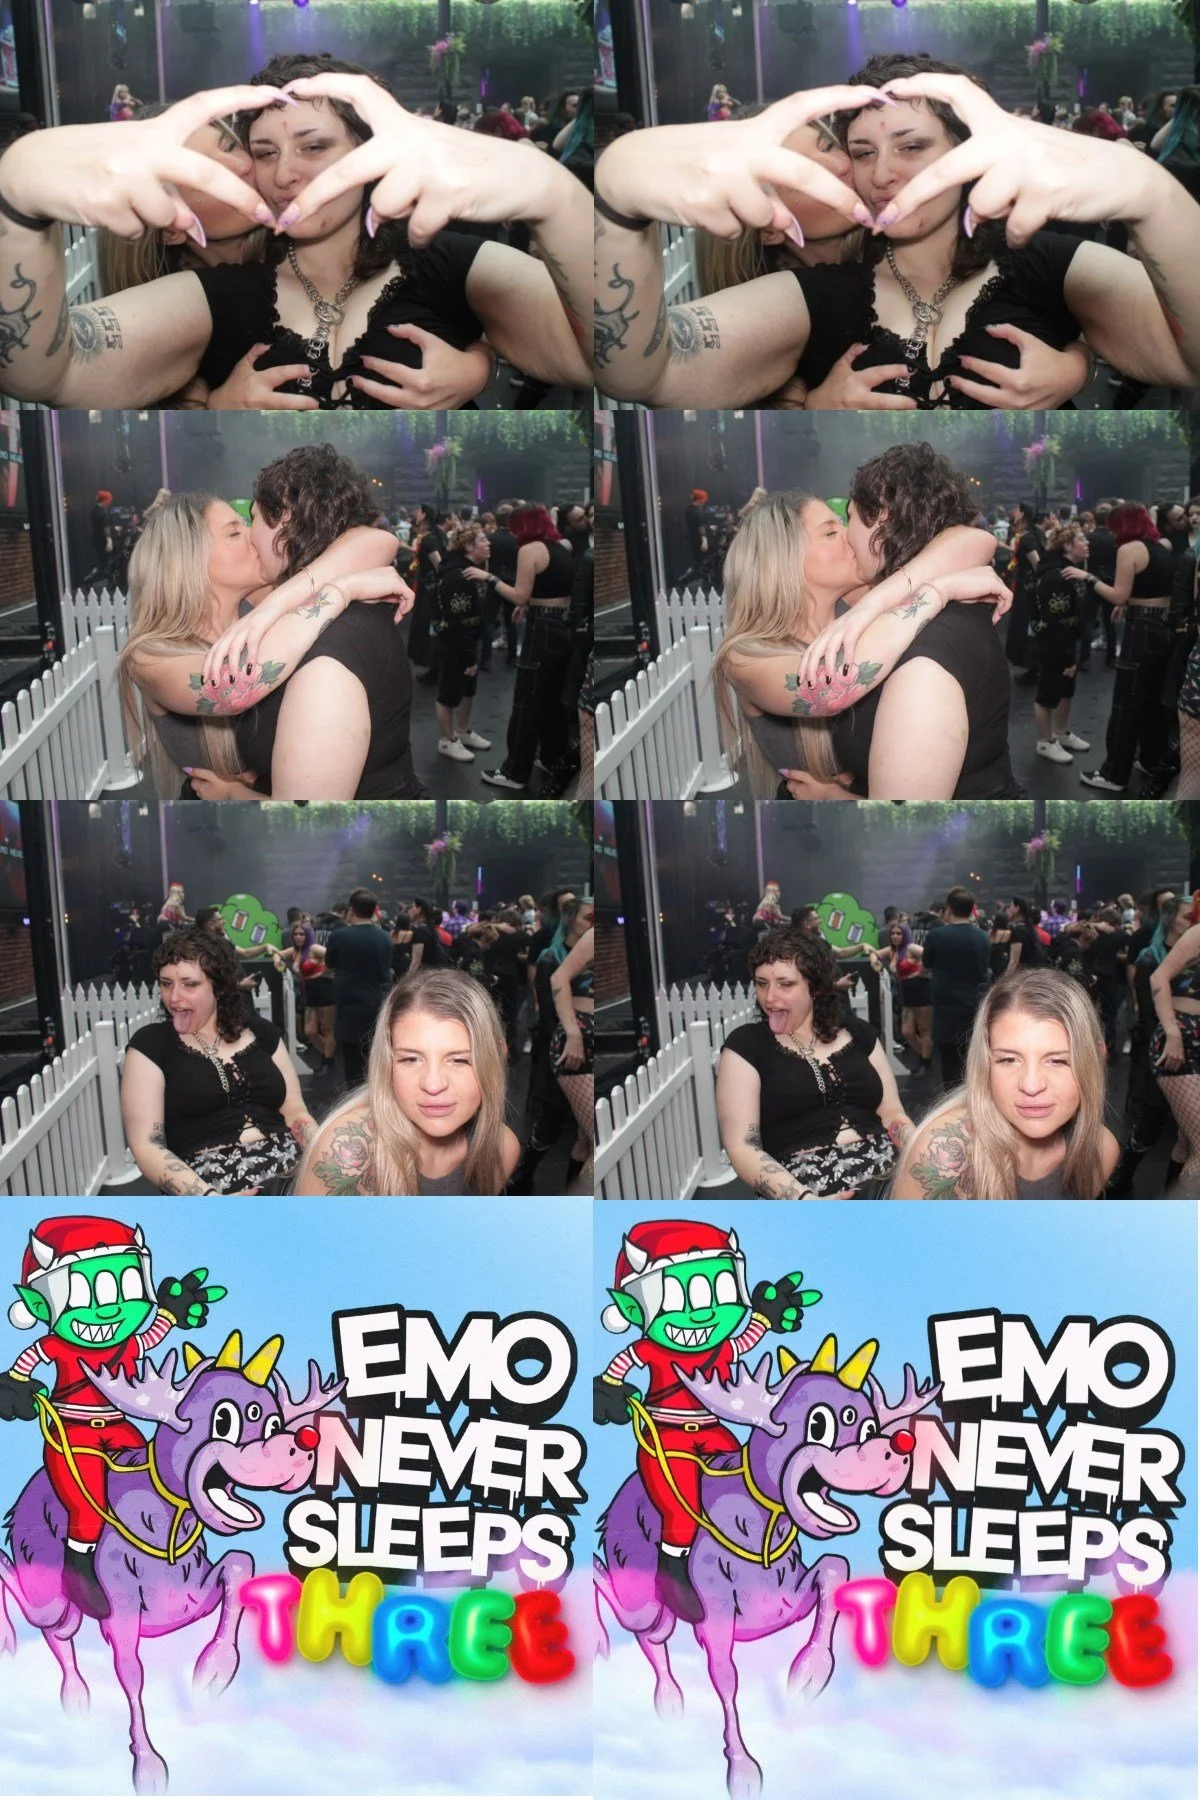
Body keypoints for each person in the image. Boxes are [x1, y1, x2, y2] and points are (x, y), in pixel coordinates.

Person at [592, 62, 1200, 409]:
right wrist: (618, 202)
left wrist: (1157, 198)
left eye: (912, 146)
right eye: (862, 151)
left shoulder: (1048, 263)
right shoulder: (819, 293)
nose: (881, 174)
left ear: (968, 154)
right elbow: (645, 375)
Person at [0, 61, 589, 410]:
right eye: (264, 151)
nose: (282, 174)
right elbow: (50, 374)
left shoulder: (450, 262)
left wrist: (558, 199)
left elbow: (604, 358)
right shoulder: (220, 293)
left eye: (314, 145)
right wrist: (18, 202)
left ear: (370, 152)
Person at [711, 445, 1014, 801]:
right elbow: (833, 687)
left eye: (843, 522)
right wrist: (937, 591)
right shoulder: (743, 657)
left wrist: (873, 602)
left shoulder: (855, 606)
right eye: (830, 532)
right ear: (782, 562)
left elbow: (976, 539)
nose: (848, 533)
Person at [715, 925, 912, 1198]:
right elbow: (743, 1147)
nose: (769, 997)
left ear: (816, 987)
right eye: (761, 983)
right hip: (802, 1187)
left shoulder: (858, 1033)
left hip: (887, 1174)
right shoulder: (746, 1045)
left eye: (785, 984)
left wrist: (923, 1155)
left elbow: (893, 1115)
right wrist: (804, 1201)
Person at [892, 967, 1119, 1198]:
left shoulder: (1101, 1153)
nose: (1031, 1085)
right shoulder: (943, 1157)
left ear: (1096, 1058)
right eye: (1009, 1060)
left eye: (1057, 1061)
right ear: (985, 1063)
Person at [120, 928, 315, 1195]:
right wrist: (210, 1201)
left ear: (219, 987)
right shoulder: (150, 1045)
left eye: (189, 984)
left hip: (291, 1172)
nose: (174, 997)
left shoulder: (262, 1032)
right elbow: (147, 1145)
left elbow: (296, 1112)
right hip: (207, 1186)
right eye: (166, 983)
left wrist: (325, 1156)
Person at [295, 968, 521, 1196]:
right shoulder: (346, 1155)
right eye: (411, 1059)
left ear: (496, 1057)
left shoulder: (502, 1152)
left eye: (459, 1060)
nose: (433, 1085)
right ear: (387, 1063)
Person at [1077, 505, 1177, 792]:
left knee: (1126, 702)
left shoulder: (1129, 550)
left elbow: (1119, 593)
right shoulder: (1161, 547)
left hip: (1141, 630)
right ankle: (1150, 760)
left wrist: (1090, 579)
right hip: (1162, 627)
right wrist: (1128, 603)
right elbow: (1151, 589)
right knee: (1152, 701)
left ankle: (1114, 774)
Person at [478, 505, 577, 792]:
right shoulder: (562, 547)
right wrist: (530, 605)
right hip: (561, 627)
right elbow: (553, 590)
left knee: (527, 701)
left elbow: (519, 594)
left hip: (541, 630)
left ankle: (515, 772)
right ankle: (551, 758)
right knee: (551, 700)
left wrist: (491, 579)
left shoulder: (530, 550)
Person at [1148, 897, 1200, 1196]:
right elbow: (1158, 977)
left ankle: (1168, 1209)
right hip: (1183, 1038)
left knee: (1186, 1142)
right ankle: (1182, 1222)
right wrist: (1173, 1033)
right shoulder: (1198, 933)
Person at [432, 522, 493, 762]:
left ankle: (462, 732)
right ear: (468, 546)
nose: (488, 543)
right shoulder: (458, 575)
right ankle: (447, 741)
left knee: (467, 690)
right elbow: (458, 621)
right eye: (482, 540)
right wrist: (468, 657)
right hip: (454, 643)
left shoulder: (471, 570)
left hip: (467, 641)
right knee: (449, 693)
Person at [324, 887, 395, 1090]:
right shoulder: (385, 937)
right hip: (378, 1004)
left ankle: (356, 1102)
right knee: (375, 1059)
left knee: (352, 1063)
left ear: (352, 909)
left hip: (350, 1006)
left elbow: (329, 964)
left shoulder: (339, 936)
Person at [547, 898, 594, 1193]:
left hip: (588, 1035)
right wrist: (574, 1035)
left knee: (585, 1142)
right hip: (578, 1038)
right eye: (589, 917)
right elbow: (558, 978)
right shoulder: (592, 937)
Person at [922, 886, 989, 1090]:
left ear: (949, 908)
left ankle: (953, 1104)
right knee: (973, 1061)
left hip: (946, 1008)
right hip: (975, 1006)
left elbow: (926, 963)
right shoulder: (983, 937)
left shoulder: (936, 936)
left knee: (950, 1064)